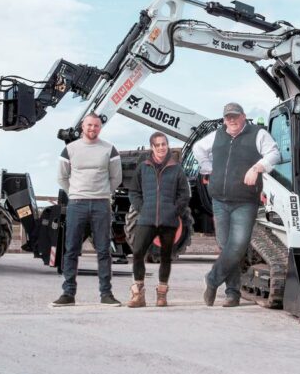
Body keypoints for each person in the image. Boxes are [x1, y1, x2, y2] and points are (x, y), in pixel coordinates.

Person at [192, 102, 280, 307]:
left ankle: (212, 279)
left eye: (234, 116)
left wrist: (257, 168)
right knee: (225, 246)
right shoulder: (217, 136)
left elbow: (274, 154)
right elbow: (198, 148)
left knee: (238, 245)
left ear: (243, 116)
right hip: (220, 200)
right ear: (224, 120)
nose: (231, 120)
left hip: (245, 201)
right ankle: (232, 293)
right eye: (227, 117)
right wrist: (208, 167)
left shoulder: (258, 134)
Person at [52, 113, 123, 307]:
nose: (92, 129)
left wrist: (102, 193)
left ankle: (106, 294)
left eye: (96, 126)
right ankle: (68, 294)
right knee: (71, 249)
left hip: (101, 204)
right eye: (89, 125)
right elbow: (62, 177)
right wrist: (75, 193)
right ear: (83, 126)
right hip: (77, 204)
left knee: (103, 250)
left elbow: (115, 178)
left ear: (100, 128)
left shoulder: (109, 149)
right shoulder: (70, 149)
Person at [127, 132, 190, 308]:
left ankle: (162, 295)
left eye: (164, 144)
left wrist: (173, 211)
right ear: (152, 147)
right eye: (158, 145)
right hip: (146, 219)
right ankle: (138, 294)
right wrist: (142, 208)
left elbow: (184, 194)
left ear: (167, 146)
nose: (162, 147)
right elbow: (134, 192)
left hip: (168, 222)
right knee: (138, 253)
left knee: (166, 257)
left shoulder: (176, 168)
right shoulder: (143, 167)